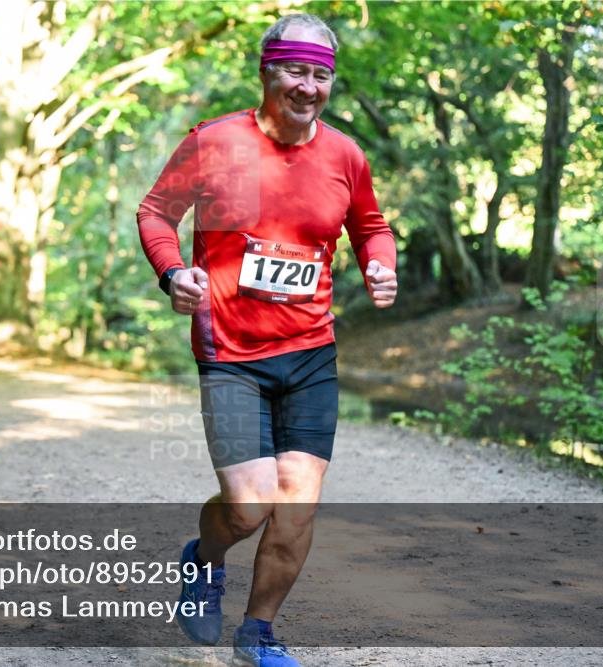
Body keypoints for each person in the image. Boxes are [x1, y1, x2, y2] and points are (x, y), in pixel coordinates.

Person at [137, 13, 398, 667]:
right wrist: (173, 272)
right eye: (294, 70)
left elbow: (371, 224)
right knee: (250, 506)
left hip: (311, 352)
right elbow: (156, 212)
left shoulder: (345, 156)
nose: (308, 86)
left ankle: (260, 631)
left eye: (320, 74)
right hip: (230, 353)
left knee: (297, 502)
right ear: (266, 71)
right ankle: (204, 558)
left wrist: (380, 260)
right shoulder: (215, 141)